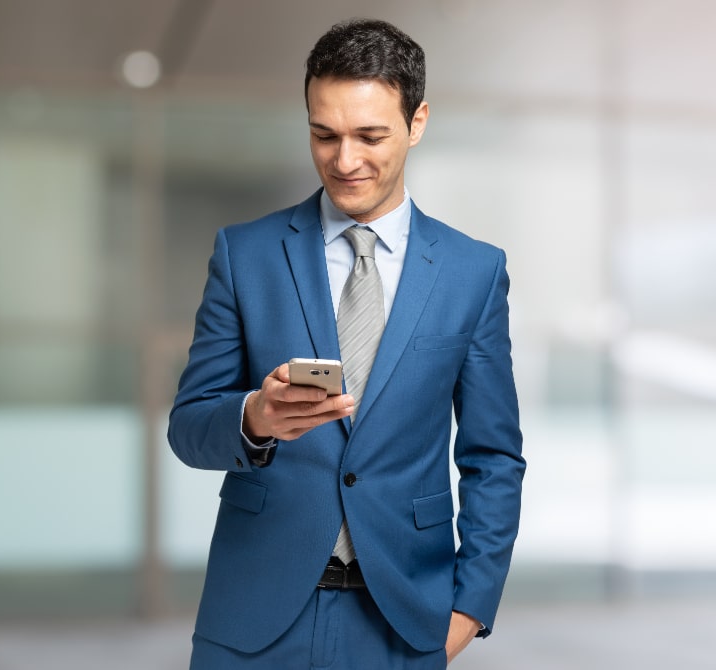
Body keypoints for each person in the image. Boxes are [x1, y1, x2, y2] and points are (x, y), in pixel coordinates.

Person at [168, 18, 524, 669]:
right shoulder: (245, 255)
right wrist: (253, 417)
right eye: (323, 134)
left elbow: (493, 456)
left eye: (370, 135)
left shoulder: (475, 272)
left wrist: (470, 608)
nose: (344, 159)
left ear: (417, 123)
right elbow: (189, 428)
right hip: (253, 623)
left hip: (402, 624)